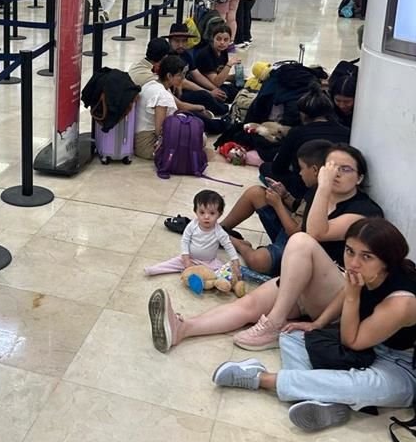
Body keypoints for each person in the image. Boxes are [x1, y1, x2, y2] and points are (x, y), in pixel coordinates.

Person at [149, 144, 385, 353]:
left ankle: (273, 325)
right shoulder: (319, 194)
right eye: (332, 166)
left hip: (341, 294)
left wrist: (323, 187)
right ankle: (183, 329)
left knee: (301, 242)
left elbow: (315, 232)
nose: (336, 173)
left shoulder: (364, 210)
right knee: (248, 305)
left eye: (346, 169)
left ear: (360, 178)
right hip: (308, 284)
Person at [210, 217, 416, 432]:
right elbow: (344, 295)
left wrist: (353, 295)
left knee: (361, 385)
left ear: (386, 260)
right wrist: (317, 323)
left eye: (366, 257)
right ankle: (325, 401)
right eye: (349, 251)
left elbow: (352, 340)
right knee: (292, 333)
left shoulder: (402, 303)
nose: (354, 263)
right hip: (371, 345)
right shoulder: (367, 273)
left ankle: (260, 378)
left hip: (405, 366)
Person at [218, 140, 333, 276]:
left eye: (302, 168)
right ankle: (220, 229)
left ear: (314, 170)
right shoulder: (314, 188)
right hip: (287, 229)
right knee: (256, 193)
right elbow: (299, 208)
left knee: (259, 260)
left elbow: (296, 234)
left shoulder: (322, 196)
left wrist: (278, 204)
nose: (300, 173)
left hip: (295, 246)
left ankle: (239, 244)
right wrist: (285, 195)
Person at [260, 84, 350, 198]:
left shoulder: (298, 133)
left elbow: (278, 168)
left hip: (304, 187)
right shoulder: (346, 131)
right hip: (338, 183)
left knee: (266, 168)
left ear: (303, 113)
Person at [144, 189, 240, 275]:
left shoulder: (219, 232)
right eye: (202, 212)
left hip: (210, 262)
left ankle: (225, 282)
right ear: (195, 211)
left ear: (219, 214)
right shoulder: (192, 226)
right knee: (171, 263)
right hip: (190, 258)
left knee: (224, 271)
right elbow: (185, 241)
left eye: (212, 213)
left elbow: (228, 246)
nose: (206, 217)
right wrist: (186, 258)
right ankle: (153, 270)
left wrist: (235, 261)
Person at [133, 53, 184, 160]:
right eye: (179, 75)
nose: (182, 78)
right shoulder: (163, 96)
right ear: (169, 76)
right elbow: (160, 131)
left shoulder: (150, 84)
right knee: (198, 138)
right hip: (147, 145)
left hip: (136, 138)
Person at [192, 23, 241, 100]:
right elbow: (216, 82)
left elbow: (218, 74)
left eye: (226, 40)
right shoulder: (206, 54)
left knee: (239, 87)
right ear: (213, 39)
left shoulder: (223, 51)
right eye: (218, 39)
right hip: (203, 87)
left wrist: (233, 77)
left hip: (214, 84)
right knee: (226, 94)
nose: (222, 42)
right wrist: (229, 65)